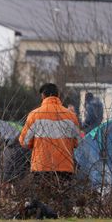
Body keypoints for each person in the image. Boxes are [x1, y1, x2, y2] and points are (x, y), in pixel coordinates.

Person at [19, 83, 80, 214]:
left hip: (41, 167)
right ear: (58, 96)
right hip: (65, 167)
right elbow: (77, 142)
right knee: (64, 204)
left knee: (40, 203)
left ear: (43, 96)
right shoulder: (71, 116)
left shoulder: (34, 115)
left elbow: (24, 142)